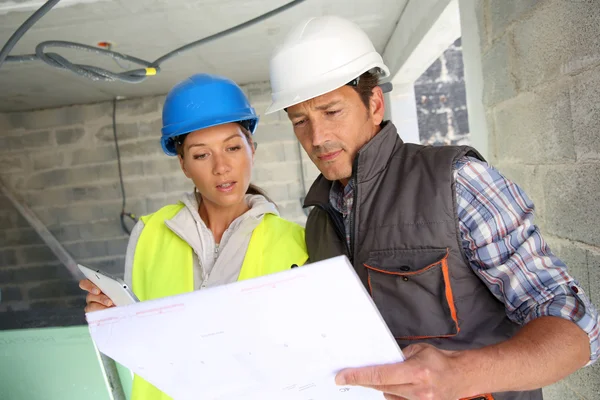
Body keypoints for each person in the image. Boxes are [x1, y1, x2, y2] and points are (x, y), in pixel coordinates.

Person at [265, 16, 599, 400]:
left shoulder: (457, 182)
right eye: (300, 121)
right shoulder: (320, 217)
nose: (317, 137)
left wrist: (460, 374)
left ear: (374, 104)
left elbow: (577, 327)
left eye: (331, 112)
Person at [79, 73, 308, 400]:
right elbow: (136, 346)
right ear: (183, 163)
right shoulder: (150, 233)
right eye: (202, 154)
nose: (222, 167)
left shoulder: (297, 243)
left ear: (252, 149)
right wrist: (109, 322)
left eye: (232, 147)